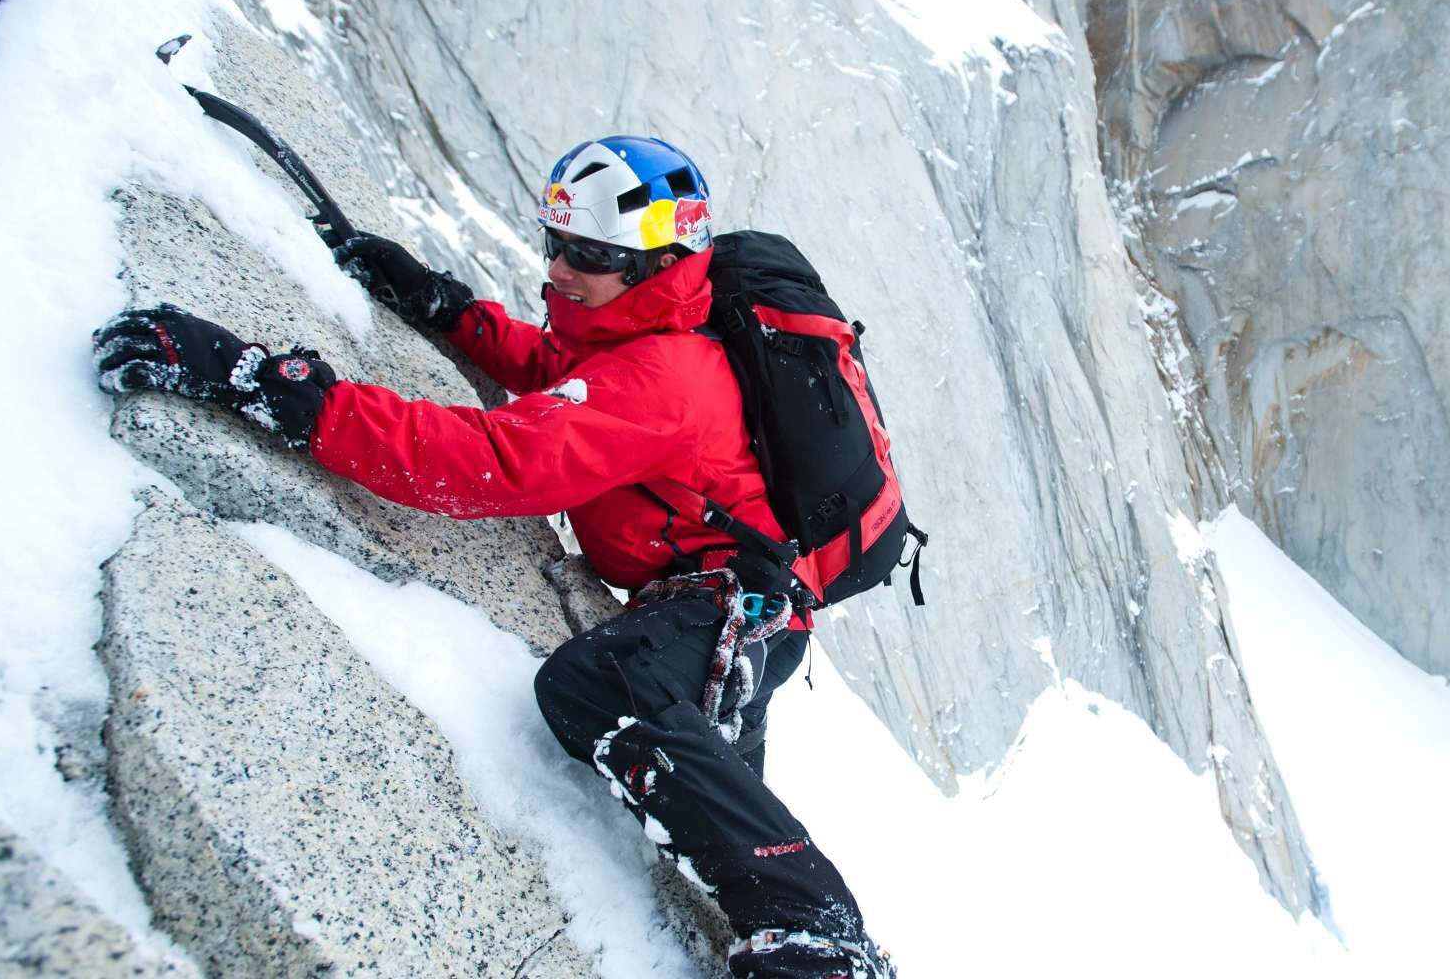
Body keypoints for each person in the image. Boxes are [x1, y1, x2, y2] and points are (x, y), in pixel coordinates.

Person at [93, 136, 893, 979]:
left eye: (589, 254)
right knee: (713, 806)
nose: (559, 268)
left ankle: (822, 940)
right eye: (556, 243)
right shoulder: (650, 325)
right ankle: (781, 915)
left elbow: (492, 460)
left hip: (727, 609)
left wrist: (275, 387)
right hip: (739, 603)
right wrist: (439, 304)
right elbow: (561, 373)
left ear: (658, 260)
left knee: (601, 687)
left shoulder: (667, 375)